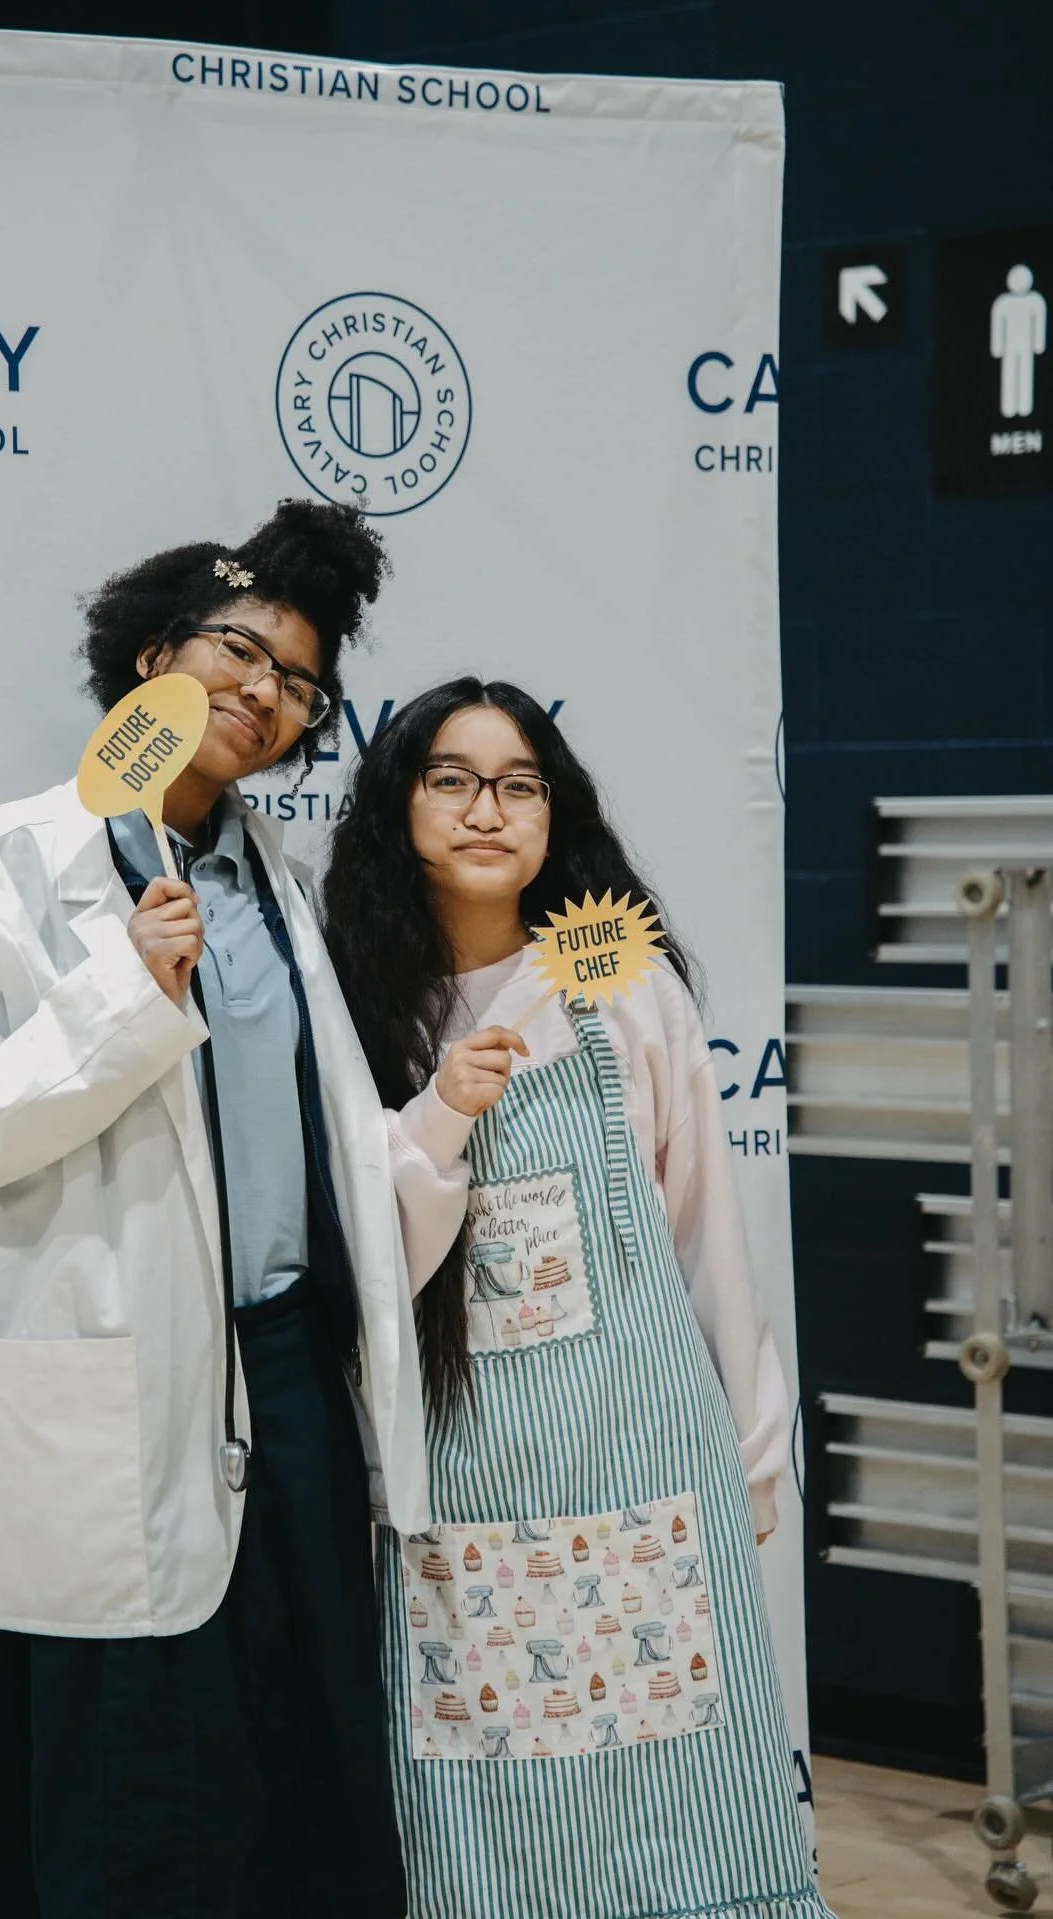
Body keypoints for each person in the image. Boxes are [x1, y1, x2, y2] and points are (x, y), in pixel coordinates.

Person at [0, 499, 429, 1919]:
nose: (264, 693)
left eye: (299, 683)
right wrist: (120, 990)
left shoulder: (276, 886)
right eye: (239, 650)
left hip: (290, 1382)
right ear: (148, 655)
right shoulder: (3, 865)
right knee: (129, 1780)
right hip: (108, 1393)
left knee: (302, 1757)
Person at [322, 677, 833, 1919]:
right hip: (460, 1481)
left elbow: (708, 1225)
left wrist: (754, 1448)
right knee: (489, 1819)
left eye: (519, 782)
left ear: (556, 814)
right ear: (400, 806)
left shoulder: (619, 983)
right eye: (452, 777)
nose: (487, 808)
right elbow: (361, 1259)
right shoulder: (346, 1006)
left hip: (645, 1464)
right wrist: (441, 1108)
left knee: (681, 1802)